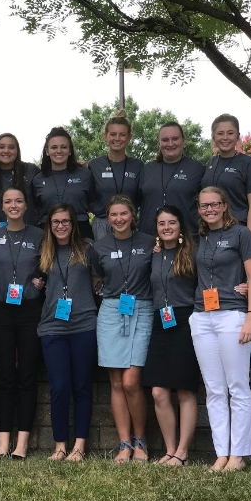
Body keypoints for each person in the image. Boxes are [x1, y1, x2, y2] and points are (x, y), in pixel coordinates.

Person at [190, 186, 251, 472]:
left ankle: (238, 456)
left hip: (232, 315)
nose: (209, 209)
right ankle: (222, 453)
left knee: (237, 387)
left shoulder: (241, 234)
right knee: (214, 389)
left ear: (224, 205)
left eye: (214, 204)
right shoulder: (200, 237)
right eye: (204, 206)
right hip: (202, 317)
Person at [92, 195, 154, 462]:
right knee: (116, 382)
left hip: (141, 308)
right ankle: (124, 443)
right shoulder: (100, 246)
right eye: (113, 215)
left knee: (131, 381)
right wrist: (100, 290)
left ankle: (141, 440)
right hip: (110, 311)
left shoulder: (150, 242)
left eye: (123, 214)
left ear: (133, 215)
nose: (118, 219)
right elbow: (96, 276)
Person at [37, 203, 98, 461]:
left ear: (73, 224)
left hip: (84, 324)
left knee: (82, 386)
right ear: (50, 226)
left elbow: (99, 282)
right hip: (52, 327)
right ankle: (60, 445)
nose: (60, 226)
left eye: (65, 221)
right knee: (59, 387)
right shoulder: (43, 252)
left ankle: (79, 446)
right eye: (55, 222)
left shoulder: (87, 250)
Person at [0, 187, 44, 459]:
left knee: (27, 377)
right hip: (0, 311)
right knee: (5, 376)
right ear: (1, 206)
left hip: (30, 310)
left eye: (18, 201)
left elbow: (48, 266)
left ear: (26, 205)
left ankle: (22, 444)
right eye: (8, 201)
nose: (13, 205)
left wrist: (41, 281)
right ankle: (2, 444)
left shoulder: (39, 235)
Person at [142, 205, 199, 466]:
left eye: (172, 222)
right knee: (158, 391)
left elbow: (211, 279)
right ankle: (170, 450)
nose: (167, 227)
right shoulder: (153, 255)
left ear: (180, 225)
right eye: (162, 223)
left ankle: (183, 453)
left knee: (184, 389)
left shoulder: (193, 251)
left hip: (186, 320)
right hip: (160, 321)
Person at [137, 122, 205, 238]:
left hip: (187, 241)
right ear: (158, 143)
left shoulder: (197, 169)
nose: (170, 144)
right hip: (149, 240)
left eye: (175, 139)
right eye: (165, 140)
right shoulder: (147, 170)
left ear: (183, 140)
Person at [200, 114, 251, 235]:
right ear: (213, 137)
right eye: (220, 133)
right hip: (211, 233)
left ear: (238, 136)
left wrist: (247, 239)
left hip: (237, 231)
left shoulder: (248, 164)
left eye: (230, 133)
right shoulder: (210, 163)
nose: (225, 137)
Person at [89, 110, 144, 240]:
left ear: (129, 137)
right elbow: (88, 198)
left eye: (122, 135)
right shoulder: (94, 165)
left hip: (129, 224)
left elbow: (142, 198)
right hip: (102, 225)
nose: (117, 139)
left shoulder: (138, 165)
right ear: (105, 136)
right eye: (113, 134)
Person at [33, 127, 96, 239]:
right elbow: (36, 210)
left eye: (64, 147)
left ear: (70, 150)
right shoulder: (38, 179)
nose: (59, 151)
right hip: (48, 234)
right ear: (47, 151)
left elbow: (92, 204)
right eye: (54, 147)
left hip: (80, 231)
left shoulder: (85, 174)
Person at [0, 133, 39, 231]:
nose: (6, 151)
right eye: (1, 147)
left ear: (17, 151)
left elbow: (40, 201)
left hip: (30, 234)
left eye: (11, 147)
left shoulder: (30, 170)